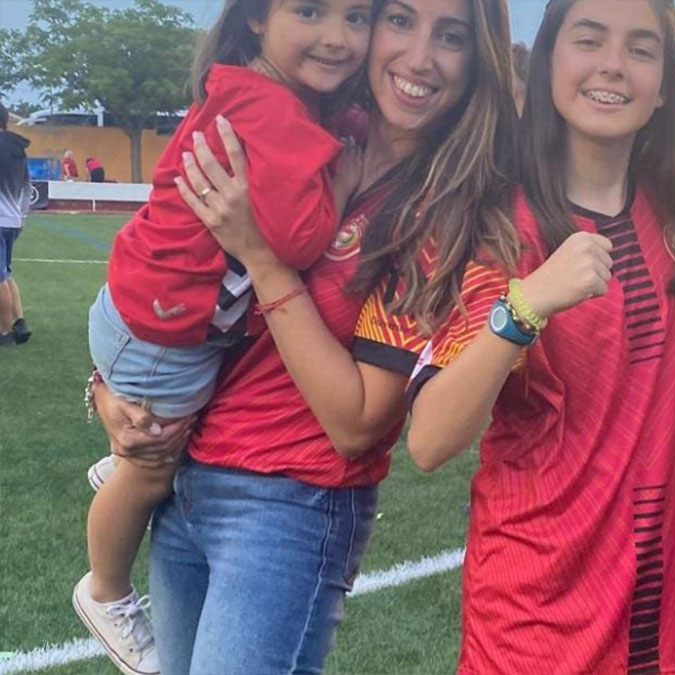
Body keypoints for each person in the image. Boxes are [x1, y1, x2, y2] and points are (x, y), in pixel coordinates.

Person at [92, 0, 517, 672]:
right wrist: (116, 388)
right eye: (400, 21)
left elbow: (358, 423)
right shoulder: (313, 125)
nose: (418, 57)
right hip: (190, 479)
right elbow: (172, 263)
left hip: (288, 505)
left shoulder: (447, 208)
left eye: (452, 36)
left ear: (478, 61)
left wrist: (262, 257)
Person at [385, 0, 675, 670]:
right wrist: (525, 306)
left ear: (664, 89)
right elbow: (430, 438)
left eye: (642, 49)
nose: (613, 65)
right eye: (588, 40)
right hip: (537, 622)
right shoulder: (505, 228)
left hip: (666, 621)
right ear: (550, 62)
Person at [0, 101, 33, 346]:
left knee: (0, 278)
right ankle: (19, 322)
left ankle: (4, 332)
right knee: (6, 273)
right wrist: (20, 217)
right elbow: (26, 188)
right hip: (12, 219)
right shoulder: (18, 150)